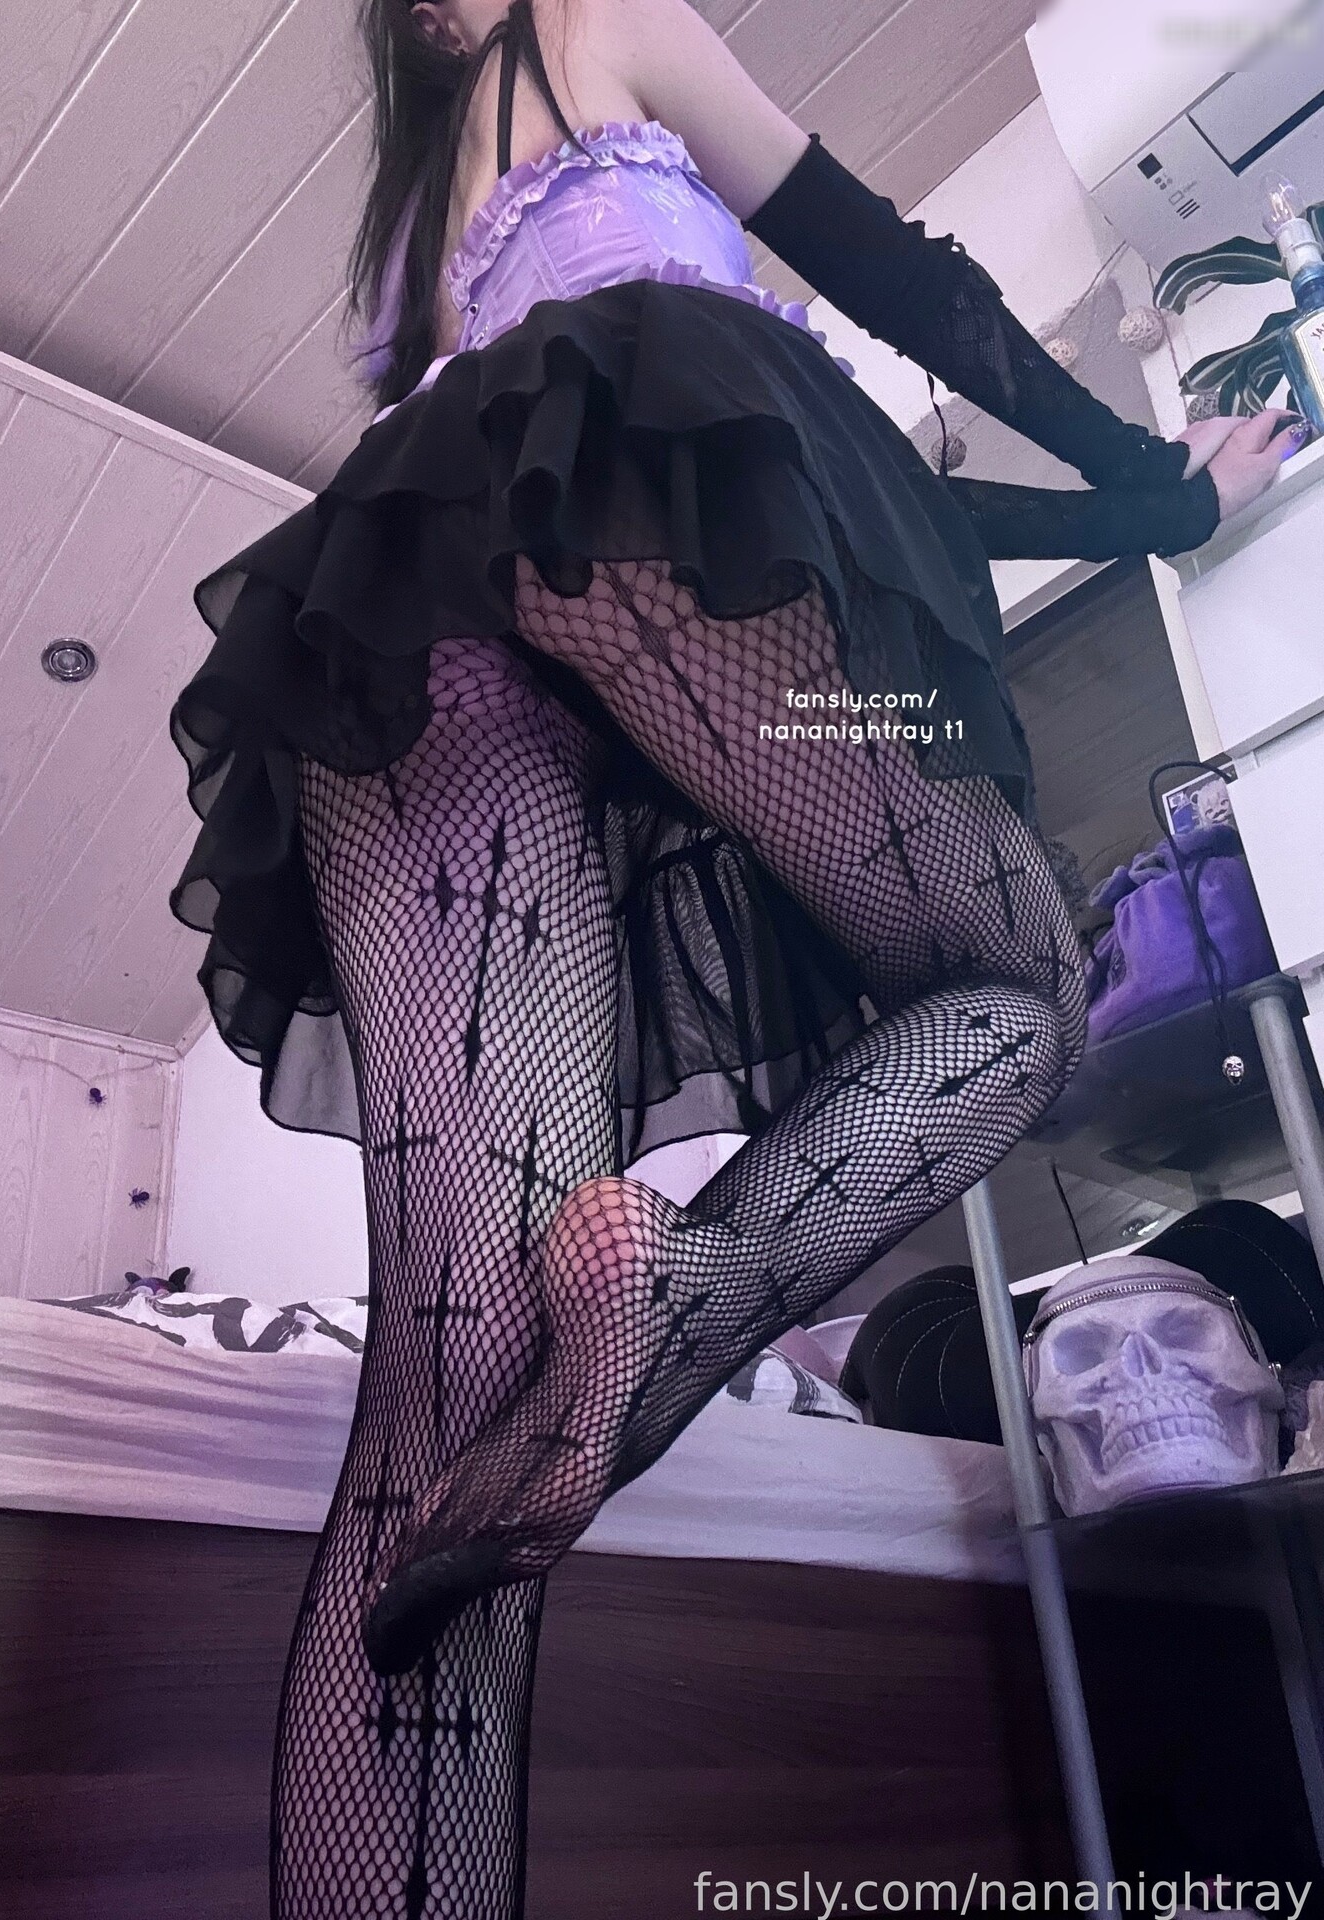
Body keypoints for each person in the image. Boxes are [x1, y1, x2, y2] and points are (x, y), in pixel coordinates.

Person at [166, 0, 1300, 1910]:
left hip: (398, 640)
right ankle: (680, 1284)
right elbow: (902, 292)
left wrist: (1142, 505)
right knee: (1018, 989)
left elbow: (825, 487)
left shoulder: (424, 242)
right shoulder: (594, 17)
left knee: (440, 1421)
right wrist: (1167, 491)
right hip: (644, 577)